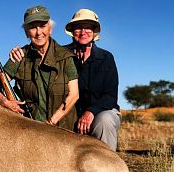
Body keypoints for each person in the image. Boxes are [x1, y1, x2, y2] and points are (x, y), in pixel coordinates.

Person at [10, 8, 121, 151]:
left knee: (104, 121)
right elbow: (39, 50)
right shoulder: (61, 55)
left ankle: (108, 168)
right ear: (72, 31)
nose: (83, 32)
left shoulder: (106, 58)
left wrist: (90, 112)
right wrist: (19, 52)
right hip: (69, 114)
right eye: (78, 27)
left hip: (100, 112)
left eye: (88, 27)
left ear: (94, 31)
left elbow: (110, 96)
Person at [0, 5, 79, 130]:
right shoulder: (19, 56)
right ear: (26, 32)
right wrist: (5, 102)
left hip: (63, 131)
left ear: (50, 29)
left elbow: (74, 94)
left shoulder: (66, 57)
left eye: (42, 26)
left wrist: (51, 123)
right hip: (31, 130)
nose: (38, 32)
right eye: (32, 27)